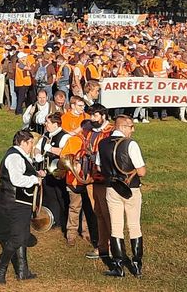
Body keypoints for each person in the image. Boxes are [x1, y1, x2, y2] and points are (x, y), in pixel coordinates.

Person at [0, 130, 45, 284]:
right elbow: (16, 179)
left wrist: (36, 173)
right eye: (30, 143)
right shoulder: (14, 156)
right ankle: (0, 267)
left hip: (20, 202)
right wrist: (35, 179)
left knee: (23, 235)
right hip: (15, 203)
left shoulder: (19, 155)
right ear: (23, 142)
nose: (32, 146)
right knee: (18, 238)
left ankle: (22, 271)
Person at [96, 115, 147, 277]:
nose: (133, 130)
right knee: (134, 226)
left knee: (116, 227)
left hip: (111, 189)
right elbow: (142, 172)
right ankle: (137, 265)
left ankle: (118, 267)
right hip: (130, 189)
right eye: (131, 126)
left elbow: (98, 168)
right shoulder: (130, 144)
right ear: (122, 127)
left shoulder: (102, 143)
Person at [84, 104, 114, 260]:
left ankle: (112, 246)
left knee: (107, 213)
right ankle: (102, 246)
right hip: (90, 177)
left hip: (103, 179)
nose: (92, 119)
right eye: (91, 116)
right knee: (98, 214)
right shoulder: (89, 131)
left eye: (95, 116)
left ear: (103, 116)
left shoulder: (110, 132)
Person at [59, 119, 96, 246]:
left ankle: (86, 232)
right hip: (74, 180)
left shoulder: (94, 141)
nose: (88, 133)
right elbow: (64, 158)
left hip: (90, 180)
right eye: (87, 130)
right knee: (74, 207)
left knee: (88, 208)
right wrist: (76, 161)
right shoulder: (73, 140)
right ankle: (71, 234)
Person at [37, 112, 70, 231]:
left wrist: (50, 149)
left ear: (56, 124)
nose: (46, 124)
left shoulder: (64, 136)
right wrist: (37, 154)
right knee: (49, 196)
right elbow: (37, 147)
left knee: (61, 197)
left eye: (48, 122)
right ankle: (52, 219)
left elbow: (65, 152)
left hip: (58, 172)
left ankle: (64, 220)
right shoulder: (46, 135)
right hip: (46, 171)